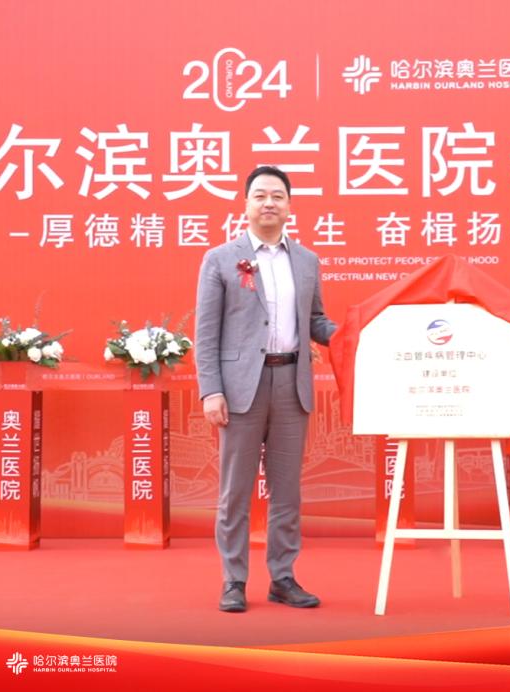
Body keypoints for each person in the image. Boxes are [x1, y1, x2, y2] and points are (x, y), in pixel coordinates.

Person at [195, 165, 337, 613]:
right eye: (260, 195)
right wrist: (210, 390)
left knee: (287, 490)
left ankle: (283, 577)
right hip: (241, 389)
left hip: (291, 384)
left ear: (289, 206)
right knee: (235, 491)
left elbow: (316, 321)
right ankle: (234, 580)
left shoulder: (306, 261)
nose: (269, 203)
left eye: (277, 195)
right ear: (246, 204)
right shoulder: (221, 258)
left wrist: (353, 334)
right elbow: (206, 332)